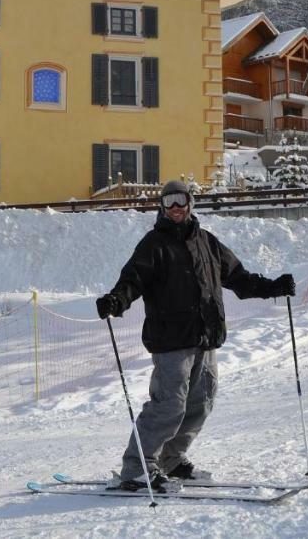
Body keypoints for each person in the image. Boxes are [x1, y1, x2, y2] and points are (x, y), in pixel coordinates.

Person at [96, 179, 295, 491]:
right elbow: (132, 280)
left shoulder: (207, 242)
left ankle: (170, 460)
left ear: (190, 203)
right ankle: (137, 468)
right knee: (169, 405)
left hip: (205, 337)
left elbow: (239, 279)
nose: (176, 207)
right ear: (162, 207)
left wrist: (273, 287)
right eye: (169, 201)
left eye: (181, 200)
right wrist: (116, 300)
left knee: (200, 404)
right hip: (171, 341)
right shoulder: (153, 244)